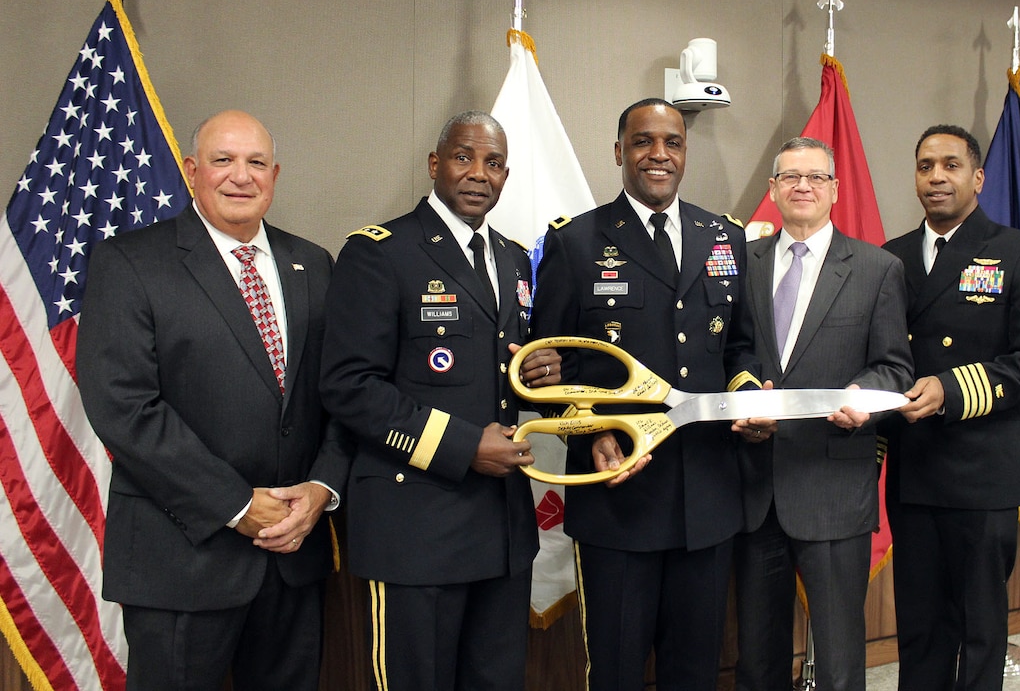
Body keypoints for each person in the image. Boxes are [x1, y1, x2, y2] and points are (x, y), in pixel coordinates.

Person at [77, 110, 351, 690]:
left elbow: (341, 395)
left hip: (293, 557)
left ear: (275, 174)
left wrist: (321, 489)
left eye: (256, 162)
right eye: (223, 160)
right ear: (192, 171)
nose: (240, 176)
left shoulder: (315, 266)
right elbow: (124, 409)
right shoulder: (129, 263)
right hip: (180, 560)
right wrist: (235, 505)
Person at [319, 111, 561, 690]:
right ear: (435, 164)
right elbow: (348, 386)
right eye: (463, 157)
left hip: (500, 531)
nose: (479, 173)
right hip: (415, 529)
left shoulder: (511, 257)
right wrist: (462, 445)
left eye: (494, 163)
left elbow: (495, 369)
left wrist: (540, 375)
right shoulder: (380, 252)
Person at [529, 98, 761, 690]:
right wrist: (593, 431)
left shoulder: (725, 236)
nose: (659, 155)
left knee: (695, 672)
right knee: (617, 670)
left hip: (707, 497)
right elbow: (547, 370)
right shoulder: (576, 241)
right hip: (618, 497)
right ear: (618, 152)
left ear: (686, 152)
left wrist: (750, 397)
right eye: (643, 142)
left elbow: (742, 349)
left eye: (673, 143)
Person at [882, 124, 1020, 691]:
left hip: (983, 474)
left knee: (980, 630)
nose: (936, 176)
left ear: (977, 176)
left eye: (951, 165)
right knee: (919, 628)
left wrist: (952, 390)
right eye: (925, 166)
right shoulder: (889, 258)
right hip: (914, 472)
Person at [731, 136, 913, 691]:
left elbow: (894, 368)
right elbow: (734, 349)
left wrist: (861, 397)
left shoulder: (877, 268)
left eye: (815, 177)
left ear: (835, 190)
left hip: (834, 485)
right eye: (790, 177)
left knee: (837, 659)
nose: (802, 186)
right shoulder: (743, 262)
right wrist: (745, 391)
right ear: (773, 190)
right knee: (757, 656)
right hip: (755, 487)